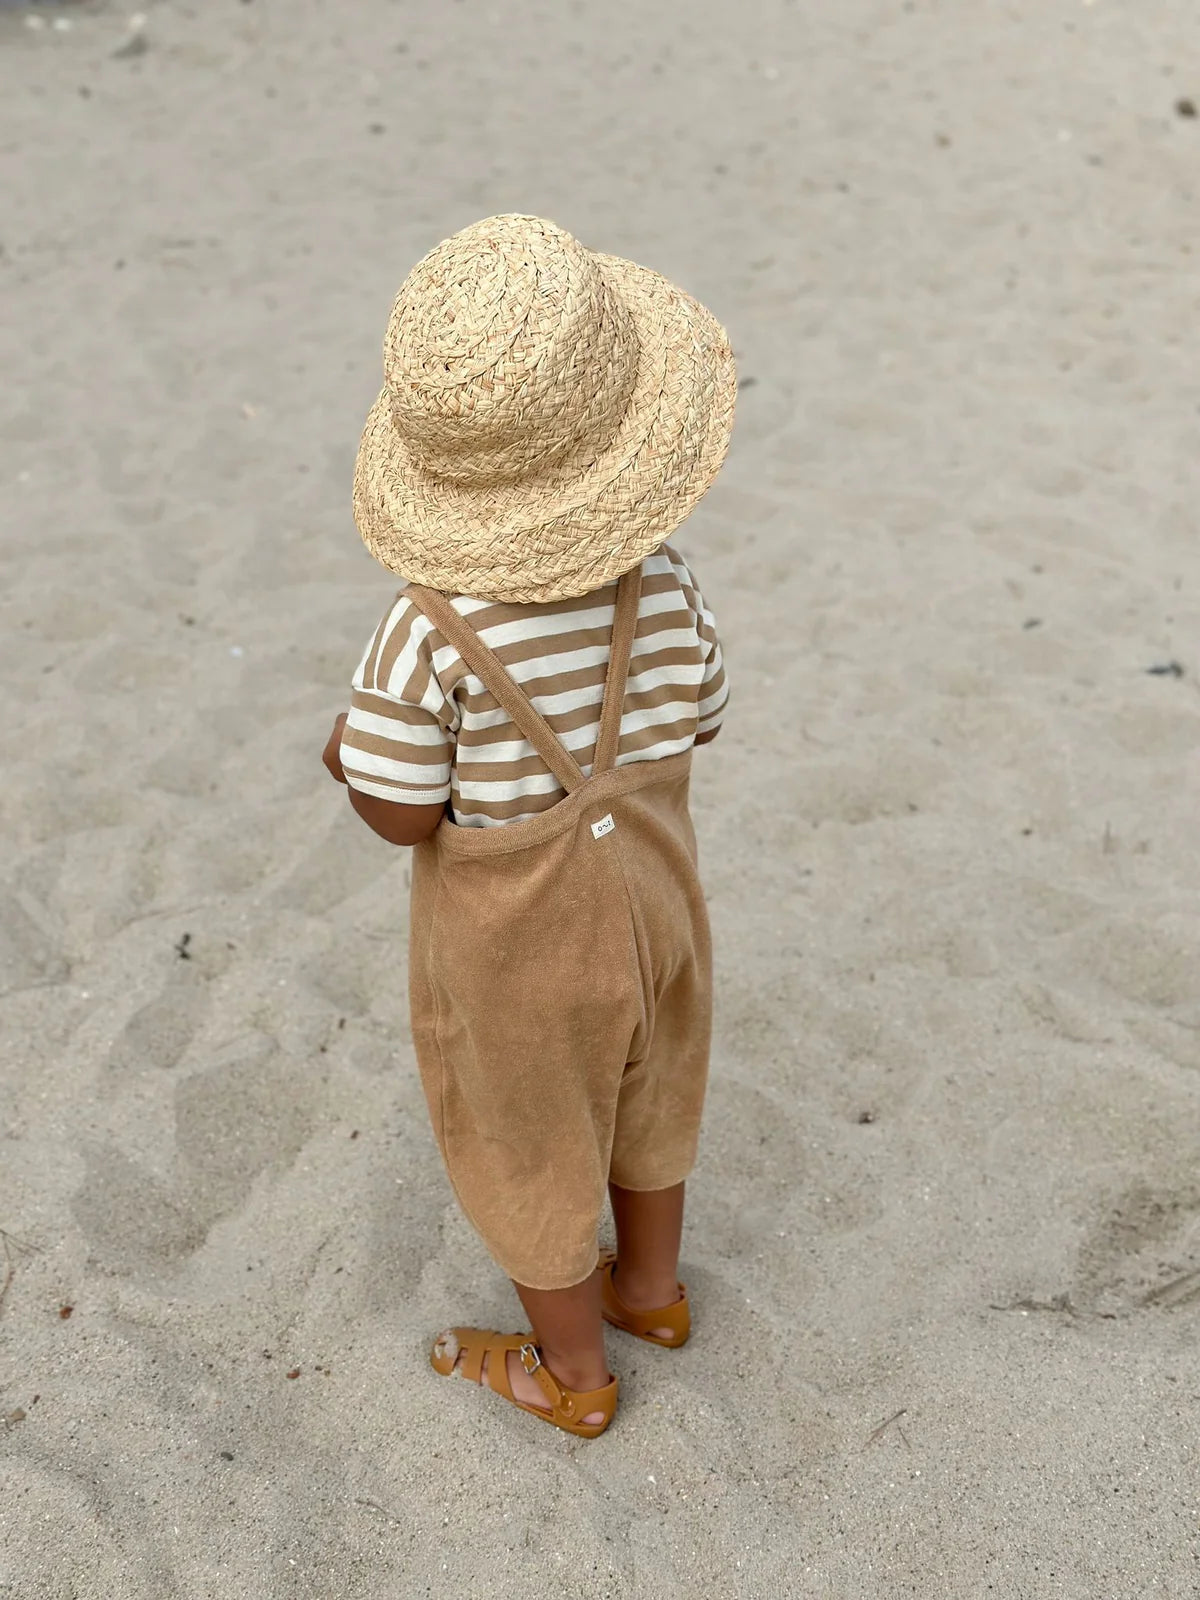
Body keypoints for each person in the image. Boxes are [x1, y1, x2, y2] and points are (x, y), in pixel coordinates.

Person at [321, 214, 735, 1437]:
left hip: (521, 953)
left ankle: (573, 1373)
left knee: (529, 1143)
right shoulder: (662, 576)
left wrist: (348, 758)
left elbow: (402, 814)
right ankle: (650, 1292)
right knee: (654, 1088)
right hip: (659, 907)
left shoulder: (426, 629)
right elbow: (704, 714)